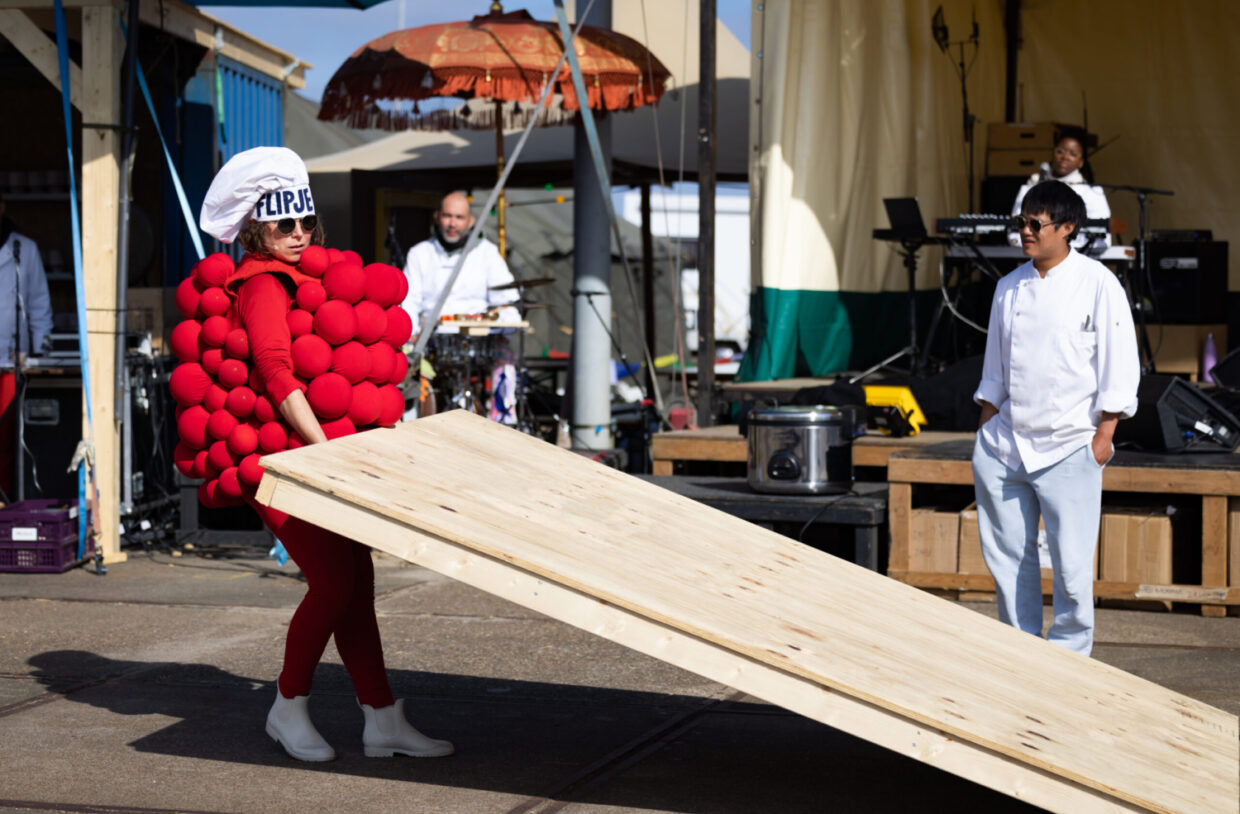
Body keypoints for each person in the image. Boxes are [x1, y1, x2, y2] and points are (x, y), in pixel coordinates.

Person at [197, 147, 454, 762]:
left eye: (306, 222)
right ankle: (287, 707)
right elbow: (276, 371)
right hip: (283, 467)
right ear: (259, 226)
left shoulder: (297, 277)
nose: (299, 234)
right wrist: (327, 448)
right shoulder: (261, 283)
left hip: (309, 458)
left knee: (356, 580)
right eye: (284, 224)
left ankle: (381, 717)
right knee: (335, 582)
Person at [972, 179, 1139, 656]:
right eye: (1021, 222)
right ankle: (1021, 651)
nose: (1025, 231)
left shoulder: (1098, 283)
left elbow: (1119, 365)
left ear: (1067, 228)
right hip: (1006, 444)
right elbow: (995, 372)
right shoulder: (1008, 287)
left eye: (1035, 223)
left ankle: (1070, 659)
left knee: (1069, 566)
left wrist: (1103, 436)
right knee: (1008, 561)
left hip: (1071, 443)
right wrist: (983, 434)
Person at [402, 192, 521, 419]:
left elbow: (506, 301)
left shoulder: (487, 253)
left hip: (477, 340)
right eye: (447, 216)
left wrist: (506, 328)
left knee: (505, 358)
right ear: (437, 217)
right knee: (406, 359)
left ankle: (505, 422)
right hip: (432, 341)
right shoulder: (420, 253)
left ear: (470, 221)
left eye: (459, 217)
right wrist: (412, 332)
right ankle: (414, 422)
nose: (452, 223)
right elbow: (410, 299)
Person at [0, 193, 54, 500]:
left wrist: (40, 356)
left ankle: (4, 506)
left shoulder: (24, 249)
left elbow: (38, 304)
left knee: (6, 442)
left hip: (10, 362)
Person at [1008, 130, 1111, 250]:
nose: (1065, 157)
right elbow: (1014, 232)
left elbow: (1102, 240)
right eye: (1060, 152)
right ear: (1053, 153)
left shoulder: (1092, 192)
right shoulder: (1031, 186)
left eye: (1072, 154)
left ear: (1081, 162)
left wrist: (1057, 249)